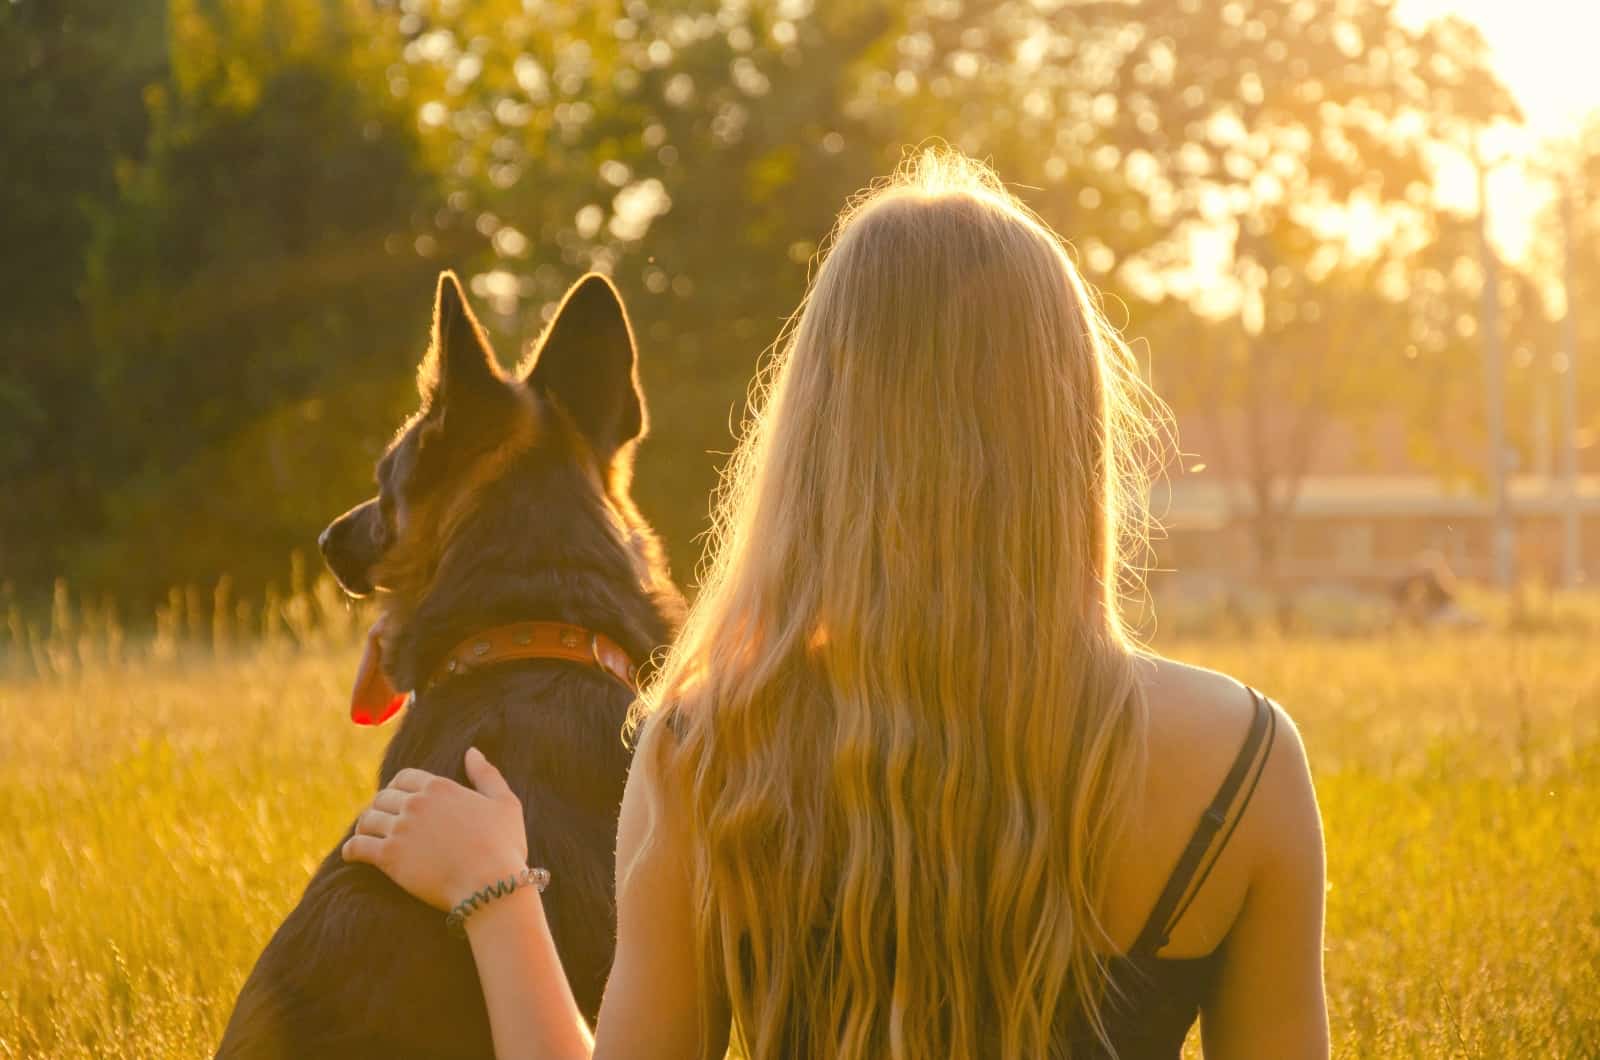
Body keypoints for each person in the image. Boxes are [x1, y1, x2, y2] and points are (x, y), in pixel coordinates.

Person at [341, 151, 1329, 1059]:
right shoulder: (1247, 762)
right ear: (1073, 426)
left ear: (817, 432)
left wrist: (495, 891)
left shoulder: (711, 746)